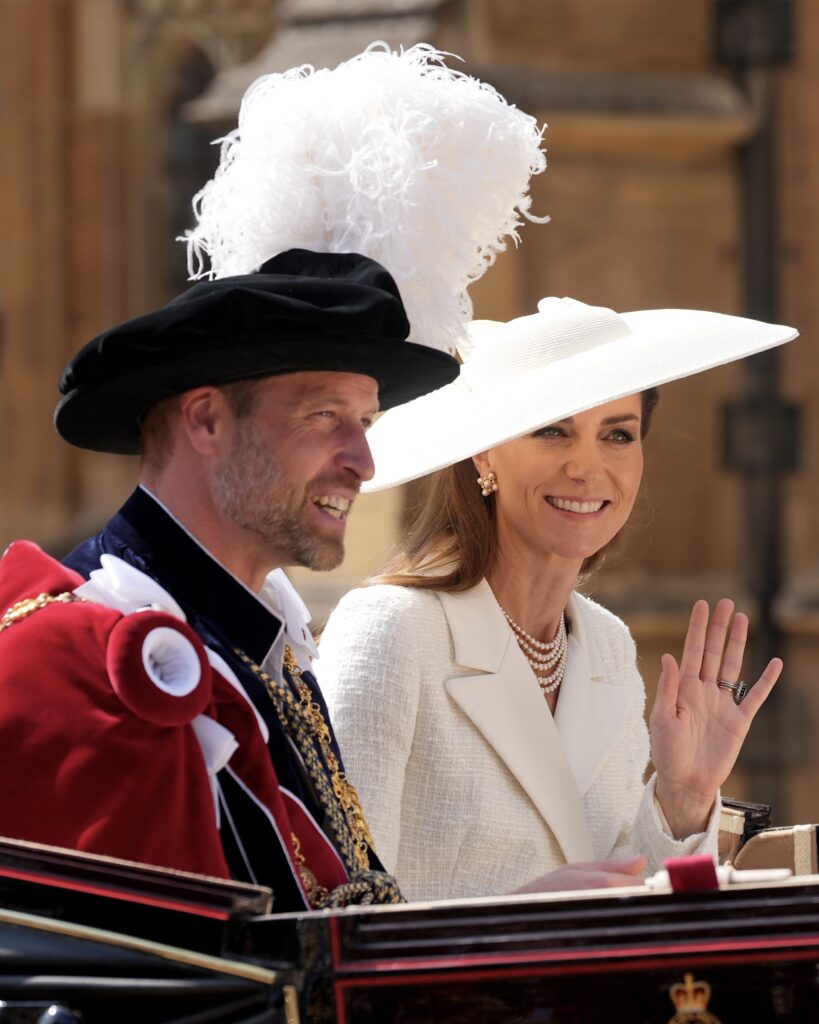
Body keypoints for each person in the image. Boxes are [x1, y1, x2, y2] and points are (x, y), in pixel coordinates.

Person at [0, 44, 547, 911]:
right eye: (325, 417)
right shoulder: (81, 659)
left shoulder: (265, 647)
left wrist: (541, 921)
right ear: (207, 419)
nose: (363, 462)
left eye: (365, 423)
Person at [316, 296, 798, 902]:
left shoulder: (607, 646)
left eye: (617, 435)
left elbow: (620, 904)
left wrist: (682, 800)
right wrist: (517, 918)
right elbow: (332, 910)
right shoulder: (390, 630)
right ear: (483, 451)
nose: (587, 468)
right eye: (553, 430)